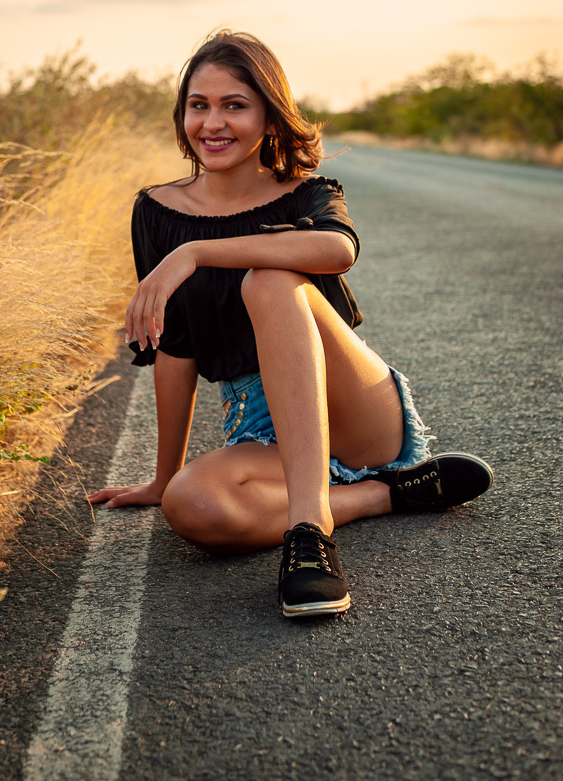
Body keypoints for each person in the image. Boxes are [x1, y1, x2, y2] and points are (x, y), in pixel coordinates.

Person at [89, 31, 493, 617]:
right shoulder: (156, 210)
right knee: (190, 506)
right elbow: (175, 347)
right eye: (198, 105)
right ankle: (384, 496)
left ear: (270, 117)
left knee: (269, 279)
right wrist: (161, 477)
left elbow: (337, 250)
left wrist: (197, 252)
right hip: (262, 429)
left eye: (235, 105)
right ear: (182, 115)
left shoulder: (308, 194)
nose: (213, 123)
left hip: (352, 407)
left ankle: (310, 533)